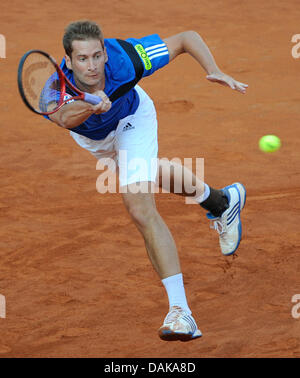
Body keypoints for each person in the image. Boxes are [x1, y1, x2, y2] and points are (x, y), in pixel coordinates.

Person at [46, 20, 247, 342]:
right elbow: (62, 118)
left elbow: (185, 38)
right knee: (147, 172)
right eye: (82, 59)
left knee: (139, 206)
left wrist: (215, 69)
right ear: (68, 61)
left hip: (132, 118)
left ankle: (182, 313)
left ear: (105, 54)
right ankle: (222, 201)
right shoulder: (54, 90)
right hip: (96, 140)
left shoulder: (126, 58)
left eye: (97, 56)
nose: (92, 65)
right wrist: (91, 106)